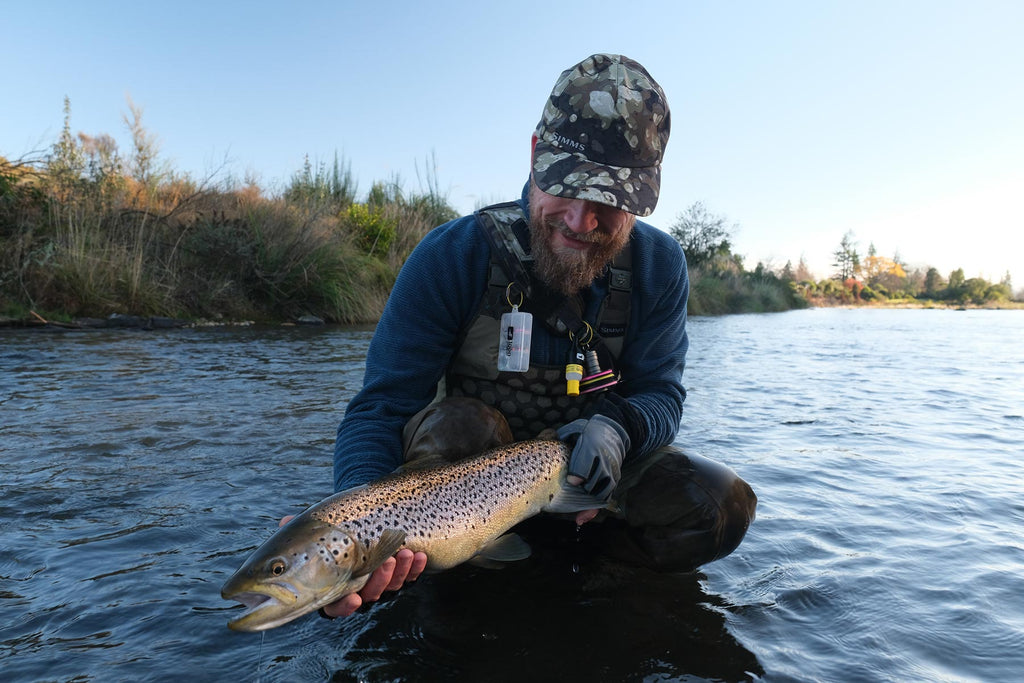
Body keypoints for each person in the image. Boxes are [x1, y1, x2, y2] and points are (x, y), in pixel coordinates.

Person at [318, 53, 757, 619]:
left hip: (589, 487)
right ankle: (446, 571)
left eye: (608, 202)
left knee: (717, 504)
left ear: (644, 195)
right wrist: (361, 533)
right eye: (565, 187)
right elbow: (380, 408)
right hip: (462, 502)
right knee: (459, 424)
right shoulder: (452, 257)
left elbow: (662, 396)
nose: (580, 220)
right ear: (533, 157)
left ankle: (601, 580)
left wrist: (620, 429)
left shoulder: (660, 266)